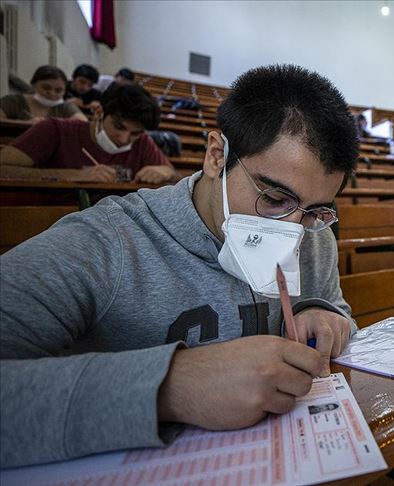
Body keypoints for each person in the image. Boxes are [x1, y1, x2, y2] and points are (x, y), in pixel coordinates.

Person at [0, 64, 358, 468]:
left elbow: (336, 310)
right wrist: (169, 386)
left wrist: (323, 312)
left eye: (313, 211)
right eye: (274, 199)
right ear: (216, 156)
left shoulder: (314, 235)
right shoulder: (108, 243)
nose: (292, 232)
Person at [0, 83, 178, 184]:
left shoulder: (142, 142)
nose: (124, 140)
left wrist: (165, 172)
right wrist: (75, 176)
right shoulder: (54, 130)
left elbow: (175, 177)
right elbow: (4, 168)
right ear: (99, 112)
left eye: (135, 133)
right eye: (118, 127)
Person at [0, 65, 87, 123]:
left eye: (58, 90)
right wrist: (25, 123)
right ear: (34, 84)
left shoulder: (65, 107)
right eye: (46, 88)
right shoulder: (14, 101)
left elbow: (83, 124)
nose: (52, 93)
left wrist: (53, 123)